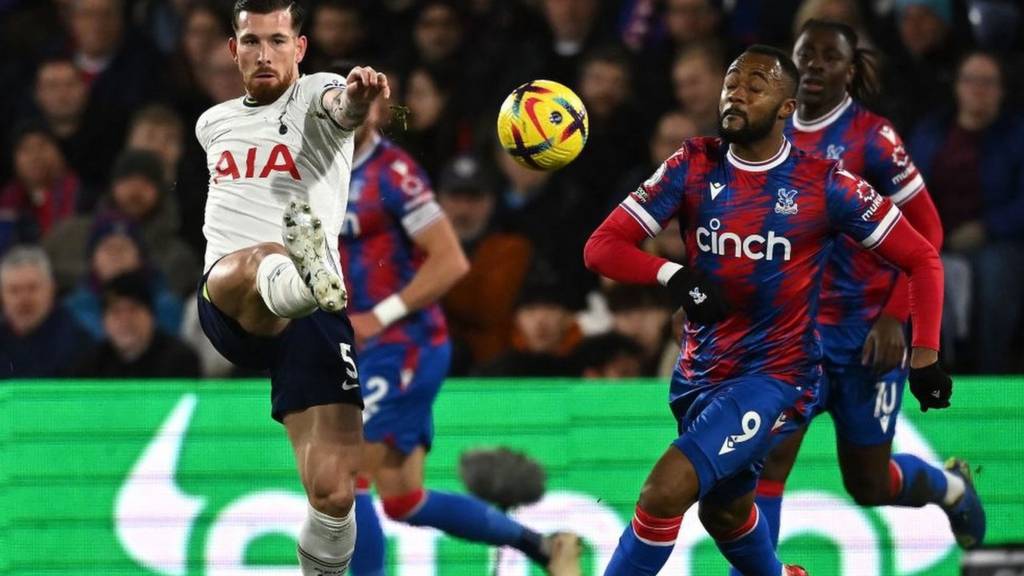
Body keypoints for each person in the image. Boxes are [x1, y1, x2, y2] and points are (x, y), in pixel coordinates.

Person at [584, 45, 954, 575]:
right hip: (699, 370)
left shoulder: (824, 184)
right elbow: (602, 246)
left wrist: (924, 356)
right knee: (726, 511)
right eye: (731, 81)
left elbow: (921, 254)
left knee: (663, 493)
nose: (737, 92)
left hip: (776, 375)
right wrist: (677, 276)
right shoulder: (693, 163)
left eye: (755, 86)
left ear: (786, 107)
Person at [733, 20, 985, 573]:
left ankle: (951, 489)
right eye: (807, 55)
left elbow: (929, 233)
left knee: (868, 483)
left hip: (869, 333)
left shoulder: (873, 137)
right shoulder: (769, 134)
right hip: (796, 334)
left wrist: (897, 315)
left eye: (830, 57)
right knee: (767, 460)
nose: (817, 65)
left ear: (851, 70)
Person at [337, 72, 580, 576]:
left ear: (378, 109)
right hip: (366, 345)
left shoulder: (393, 172)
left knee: (346, 477)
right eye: (339, 100)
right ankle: (544, 546)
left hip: (401, 343)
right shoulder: (319, 168)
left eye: (361, 100)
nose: (348, 109)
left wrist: (376, 317)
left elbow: (450, 261)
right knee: (404, 498)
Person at [192, 1, 389, 573]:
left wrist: (357, 96)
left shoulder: (320, 93)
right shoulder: (213, 123)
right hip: (230, 297)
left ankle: (306, 283)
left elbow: (343, 107)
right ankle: (300, 277)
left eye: (278, 41)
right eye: (250, 42)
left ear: (300, 47)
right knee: (265, 257)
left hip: (313, 318)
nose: (263, 54)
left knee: (333, 493)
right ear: (233, 49)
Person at [73, 271, 200, 378]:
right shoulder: (91, 365)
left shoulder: (180, 360)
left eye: (133, 309)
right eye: (116, 312)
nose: (125, 320)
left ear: (151, 316)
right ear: (104, 321)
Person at [0, 245, 91, 378]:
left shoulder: (79, 344)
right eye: (14, 290)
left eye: (32, 288)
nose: (24, 299)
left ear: (51, 289)